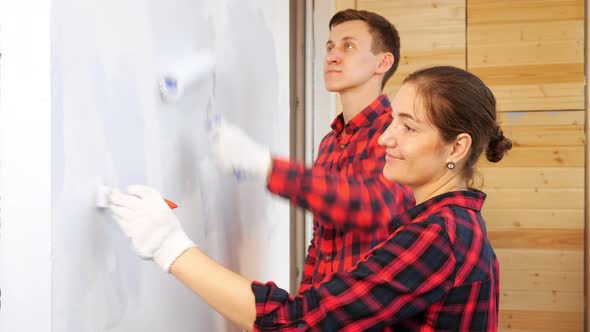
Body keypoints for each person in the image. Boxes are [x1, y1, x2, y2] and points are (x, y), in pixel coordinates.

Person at [109, 66, 512, 331]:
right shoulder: (442, 223)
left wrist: (169, 246)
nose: (386, 137)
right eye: (391, 120)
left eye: (408, 127)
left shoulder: (441, 237)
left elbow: (298, 322)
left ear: (456, 148)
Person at [209, 9, 414, 293]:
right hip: (326, 313)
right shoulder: (330, 143)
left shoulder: (397, 134)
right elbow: (321, 242)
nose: (331, 56)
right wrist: (304, 306)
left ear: (383, 62)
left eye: (348, 46)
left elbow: (370, 206)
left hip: (372, 315)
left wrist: (266, 165)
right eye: (329, 47)